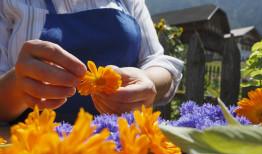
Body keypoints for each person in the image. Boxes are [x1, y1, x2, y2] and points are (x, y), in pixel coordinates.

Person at [0, 0, 183, 123]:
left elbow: (157, 61)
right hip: (32, 147)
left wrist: (148, 81)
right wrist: (17, 86)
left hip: (122, 144)